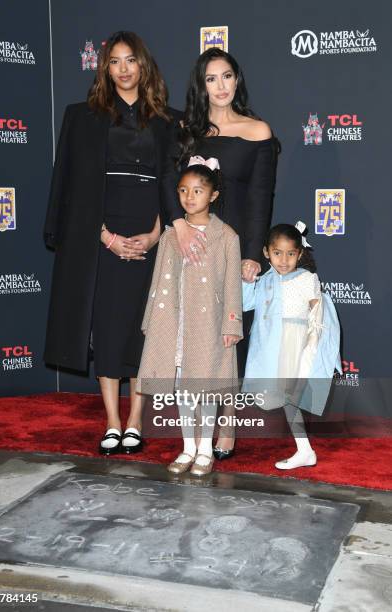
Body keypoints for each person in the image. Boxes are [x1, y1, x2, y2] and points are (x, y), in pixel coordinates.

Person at [44, 31, 181, 456]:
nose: (123, 69)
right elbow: (72, 187)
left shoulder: (167, 120)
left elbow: (173, 184)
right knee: (106, 330)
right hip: (101, 236)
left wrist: (158, 233)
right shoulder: (81, 117)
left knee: (141, 332)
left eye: (130, 60)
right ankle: (112, 422)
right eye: (115, 62)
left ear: (144, 65)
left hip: (150, 233)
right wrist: (106, 238)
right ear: (105, 68)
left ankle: (137, 422)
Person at [164, 47, 278, 459]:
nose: (220, 86)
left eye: (226, 76)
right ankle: (193, 431)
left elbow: (261, 198)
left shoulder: (257, 131)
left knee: (228, 341)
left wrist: (253, 254)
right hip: (189, 250)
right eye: (211, 79)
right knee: (191, 340)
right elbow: (168, 186)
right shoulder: (185, 131)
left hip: (232, 252)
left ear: (237, 79)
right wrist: (176, 224)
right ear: (202, 86)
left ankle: (226, 427)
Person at [137, 160, 243, 476]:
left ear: (213, 195)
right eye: (183, 190)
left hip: (208, 324)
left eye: (198, 190)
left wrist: (232, 324)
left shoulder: (226, 236)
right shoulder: (171, 234)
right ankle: (187, 448)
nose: (189, 197)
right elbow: (158, 278)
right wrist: (149, 320)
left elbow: (232, 285)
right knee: (182, 387)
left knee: (205, 386)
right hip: (174, 321)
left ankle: (206, 450)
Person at [242, 223, 342, 469]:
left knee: (290, 399)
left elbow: (317, 316)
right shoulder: (265, 280)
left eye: (290, 254)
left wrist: (309, 353)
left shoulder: (307, 279)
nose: (284, 260)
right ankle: (305, 450)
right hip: (270, 347)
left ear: (300, 254)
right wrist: (246, 282)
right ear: (266, 253)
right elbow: (246, 305)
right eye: (277, 253)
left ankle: (305, 450)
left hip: (295, 347)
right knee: (287, 401)